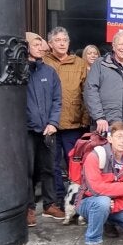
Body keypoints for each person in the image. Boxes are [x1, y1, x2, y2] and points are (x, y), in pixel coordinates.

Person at [43, 26, 89, 210]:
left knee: (75, 165)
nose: (62, 43)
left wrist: (86, 120)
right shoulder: (44, 62)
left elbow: (87, 93)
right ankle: (58, 201)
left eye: (65, 40)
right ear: (50, 44)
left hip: (74, 123)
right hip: (50, 124)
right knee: (52, 165)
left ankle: (77, 200)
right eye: (58, 40)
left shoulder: (79, 64)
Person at [26, 32, 62, 225]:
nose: (41, 47)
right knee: (28, 170)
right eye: (36, 44)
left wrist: (53, 123)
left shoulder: (49, 72)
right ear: (26, 47)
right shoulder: (20, 71)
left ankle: (49, 205)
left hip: (47, 129)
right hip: (27, 131)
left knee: (49, 168)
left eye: (41, 44)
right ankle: (29, 208)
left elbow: (57, 99)